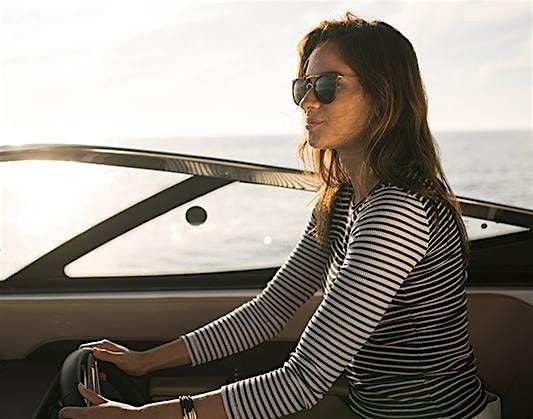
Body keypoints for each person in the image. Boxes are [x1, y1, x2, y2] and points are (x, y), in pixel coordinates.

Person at [58, 12, 501, 419]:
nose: (308, 101)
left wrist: (141, 417)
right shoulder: (343, 199)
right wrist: (145, 361)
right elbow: (271, 310)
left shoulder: (396, 212)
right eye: (302, 87)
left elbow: (302, 381)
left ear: (384, 95)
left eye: (326, 86)